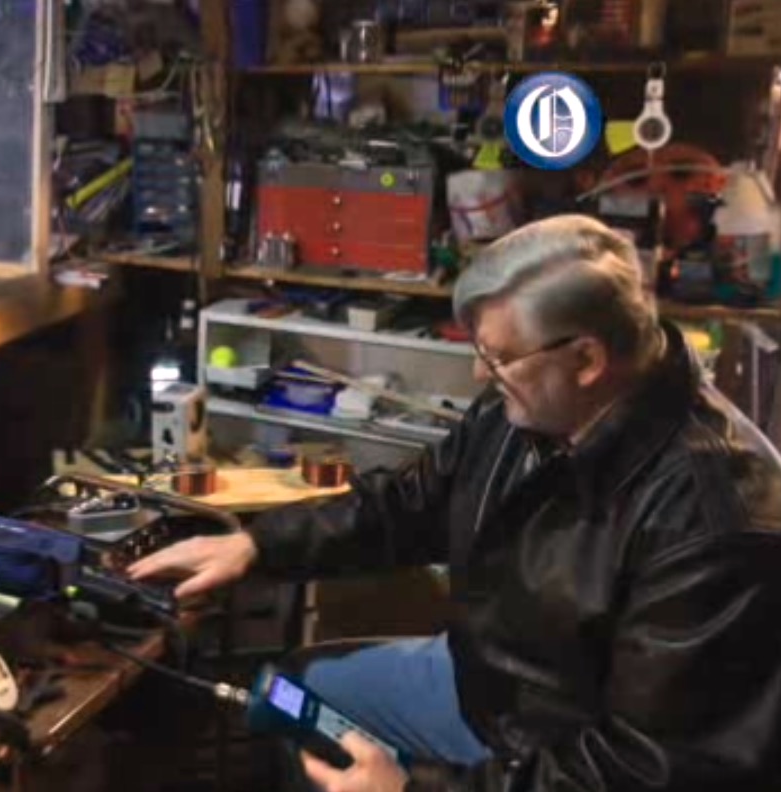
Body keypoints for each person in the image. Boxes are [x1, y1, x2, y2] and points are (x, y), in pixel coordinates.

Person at [128, 215, 781, 792]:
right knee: (293, 694)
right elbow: (409, 505)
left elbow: (647, 769)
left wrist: (418, 789)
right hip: (490, 684)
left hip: (566, 744)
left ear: (586, 358)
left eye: (496, 358)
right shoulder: (528, 409)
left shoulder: (715, 520)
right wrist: (258, 544)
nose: (478, 376)